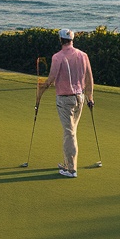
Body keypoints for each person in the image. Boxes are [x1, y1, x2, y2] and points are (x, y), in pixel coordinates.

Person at [35, 29, 95, 178]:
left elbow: (51, 80)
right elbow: (89, 78)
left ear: (60, 40)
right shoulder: (83, 55)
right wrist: (90, 97)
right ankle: (67, 162)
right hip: (79, 98)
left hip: (64, 99)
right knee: (71, 131)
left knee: (69, 133)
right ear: (72, 40)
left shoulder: (57, 57)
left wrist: (39, 94)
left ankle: (71, 170)